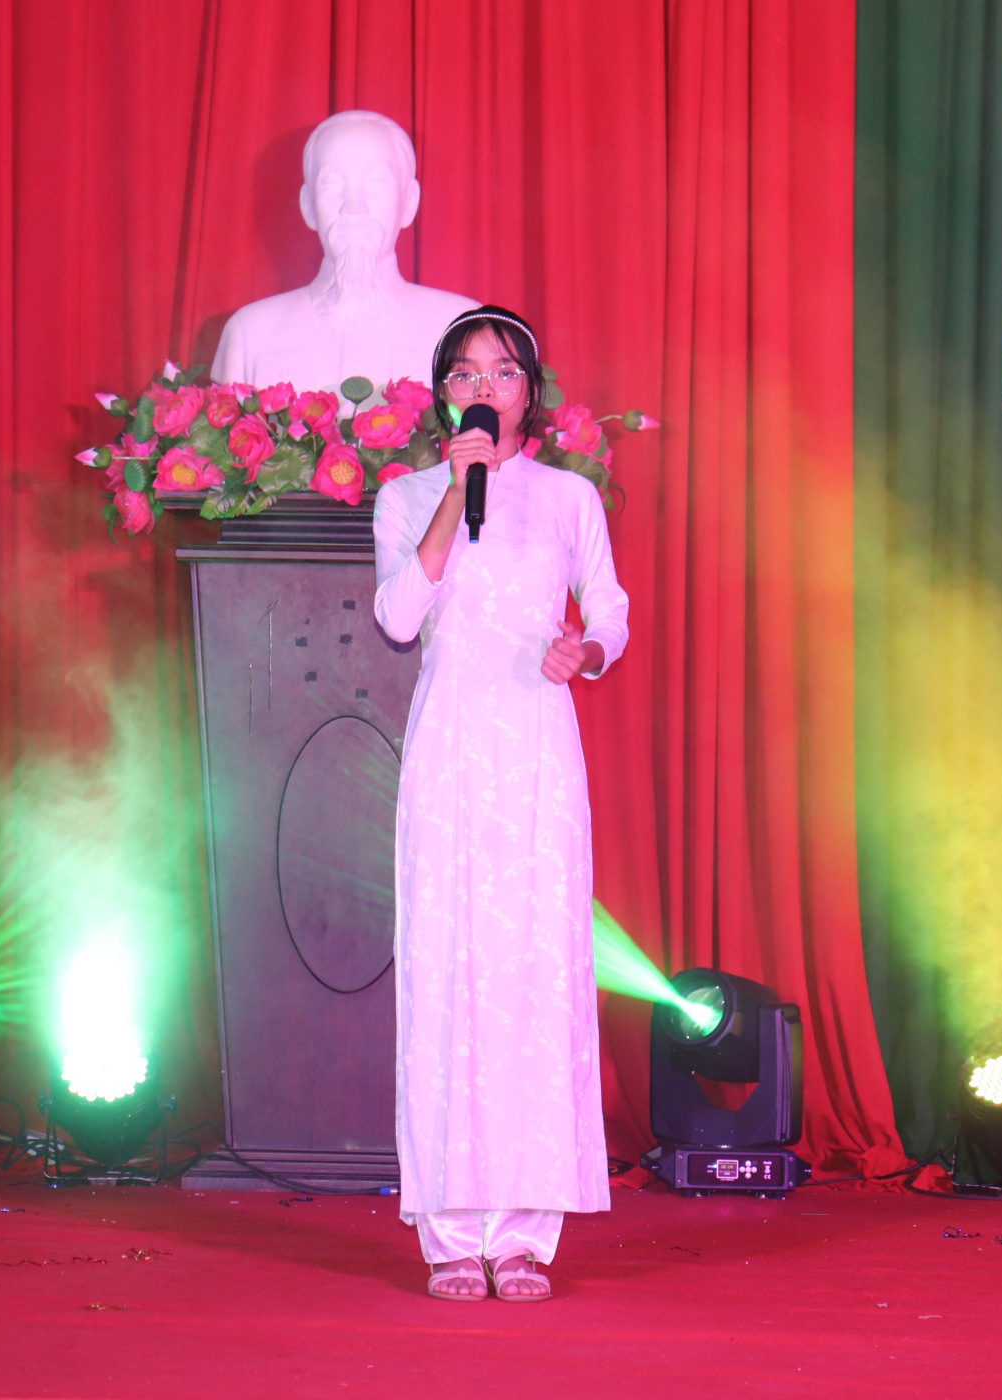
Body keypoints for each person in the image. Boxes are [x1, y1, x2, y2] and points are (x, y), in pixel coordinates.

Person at [370, 306, 629, 1302]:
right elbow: (400, 618)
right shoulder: (405, 496)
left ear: (531, 391)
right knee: (444, 976)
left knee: (532, 978)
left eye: (504, 370)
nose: (485, 387)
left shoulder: (569, 497)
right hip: (449, 751)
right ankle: (446, 1232)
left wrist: (586, 649)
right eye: (466, 372)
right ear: (445, 393)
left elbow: (610, 611)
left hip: (536, 750)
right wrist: (454, 489)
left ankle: (521, 1233)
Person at [211, 110, 475, 392]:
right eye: (332, 183)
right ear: (308, 205)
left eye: (377, 182)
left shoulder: (461, 329)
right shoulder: (251, 335)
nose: (354, 206)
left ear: (409, 202)